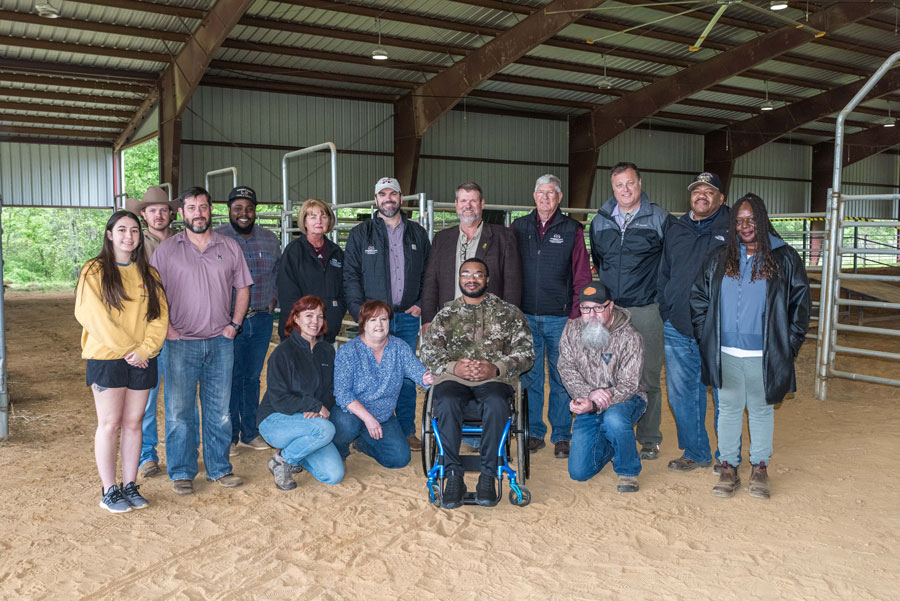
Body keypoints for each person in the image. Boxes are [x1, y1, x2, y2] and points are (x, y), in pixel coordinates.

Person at [691, 193, 810, 500]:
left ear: (762, 219)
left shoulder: (784, 258)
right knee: (728, 409)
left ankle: (760, 466)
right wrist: (707, 338)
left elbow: (800, 306)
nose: (745, 226)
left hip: (764, 353)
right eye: (739, 220)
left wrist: (787, 346)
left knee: (760, 409)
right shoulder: (720, 256)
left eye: (751, 219)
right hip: (727, 351)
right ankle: (728, 466)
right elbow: (699, 298)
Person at [151, 187, 253, 495]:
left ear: (211, 210)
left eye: (204, 207)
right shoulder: (166, 250)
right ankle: (182, 470)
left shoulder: (230, 246)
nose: (199, 212)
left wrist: (235, 324)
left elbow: (243, 287)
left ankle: (219, 467)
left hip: (221, 342)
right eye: (192, 207)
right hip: (180, 343)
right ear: (181, 213)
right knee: (179, 411)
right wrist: (167, 329)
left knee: (219, 410)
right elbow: (154, 294)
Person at [420, 258, 534, 509]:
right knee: (446, 401)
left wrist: (496, 367)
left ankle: (488, 475)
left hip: (493, 379)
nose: (471, 279)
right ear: (459, 279)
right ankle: (453, 476)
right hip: (454, 379)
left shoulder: (508, 313)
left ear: (487, 279)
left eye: (478, 275)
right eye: (466, 274)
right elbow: (428, 352)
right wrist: (454, 367)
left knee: (496, 402)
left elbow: (526, 353)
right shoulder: (446, 314)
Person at [74, 210, 167, 512]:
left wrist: (145, 349)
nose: (129, 236)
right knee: (109, 424)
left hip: (142, 358)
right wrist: (130, 349)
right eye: (122, 230)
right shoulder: (95, 270)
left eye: (135, 231)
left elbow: (159, 317)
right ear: (110, 235)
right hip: (108, 358)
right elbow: (92, 316)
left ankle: (129, 484)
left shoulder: (149, 274)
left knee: (133, 423)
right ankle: (109, 490)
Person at [590, 162, 673, 460]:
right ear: (612, 188)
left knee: (648, 374)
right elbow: (599, 262)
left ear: (640, 183)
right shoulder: (599, 221)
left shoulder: (659, 218)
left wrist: (659, 296)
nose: (625, 190)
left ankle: (649, 437)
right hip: (613, 311)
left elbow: (670, 262)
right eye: (618, 185)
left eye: (630, 183)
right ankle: (614, 433)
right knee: (608, 373)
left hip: (647, 309)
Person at [343, 177, 431, 451]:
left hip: (406, 316)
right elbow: (351, 276)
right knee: (367, 372)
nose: (388, 198)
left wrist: (421, 301)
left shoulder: (417, 234)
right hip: (373, 320)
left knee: (405, 375)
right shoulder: (361, 233)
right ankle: (362, 425)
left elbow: (429, 274)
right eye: (383, 194)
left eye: (393, 193)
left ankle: (406, 430)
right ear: (376, 200)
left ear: (401, 198)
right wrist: (362, 313)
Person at [512, 174, 591, 459]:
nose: (545, 197)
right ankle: (534, 432)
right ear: (533, 196)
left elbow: (582, 275)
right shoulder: (518, 227)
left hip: (561, 318)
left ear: (559, 198)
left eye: (551, 193)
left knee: (562, 377)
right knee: (530, 377)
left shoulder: (572, 230)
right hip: (526, 317)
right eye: (540, 192)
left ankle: (561, 434)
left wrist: (576, 314)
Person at [656, 172, 731, 472]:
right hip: (678, 325)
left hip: (721, 328)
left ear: (721, 198)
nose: (702, 194)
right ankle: (696, 451)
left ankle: (727, 455)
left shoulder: (736, 227)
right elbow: (664, 272)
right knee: (682, 393)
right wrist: (667, 308)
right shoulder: (677, 227)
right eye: (697, 190)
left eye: (709, 190)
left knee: (725, 393)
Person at [559, 282, 647, 493]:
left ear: (610, 306)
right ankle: (613, 444)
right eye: (586, 309)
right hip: (588, 399)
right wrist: (587, 395)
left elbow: (629, 384)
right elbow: (565, 368)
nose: (592, 314)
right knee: (579, 472)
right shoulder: (572, 330)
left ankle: (628, 471)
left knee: (614, 419)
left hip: (625, 399)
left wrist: (597, 400)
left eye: (598, 307)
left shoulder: (630, 336)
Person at [215, 185, 281, 454]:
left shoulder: (270, 238)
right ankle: (229, 435)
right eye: (238, 208)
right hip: (230, 320)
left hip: (262, 318)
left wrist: (275, 297)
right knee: (230, 376)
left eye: (249, 208)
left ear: (256, 211)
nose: (244, 213)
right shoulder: (216, 238)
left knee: (253, 377)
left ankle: (250, 432)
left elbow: (278, 272)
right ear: (229, 210)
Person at [331, 300, 434, 469]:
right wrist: (368, 419)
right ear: (363, 323)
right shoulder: (348, 351)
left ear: (389, 322)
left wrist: (427, 378)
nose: (379, 324)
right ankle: (340, 451)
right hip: (351, 412)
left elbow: (418, 373)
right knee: (348, 425)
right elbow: (342, 394)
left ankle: (362, 442)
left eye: (384, 319)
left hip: (383, 416)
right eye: (373, 320)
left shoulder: (399, 347)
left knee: (399, 459)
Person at [257, 296, 344, 490]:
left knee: (334, 475)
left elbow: (331, 390)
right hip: (277, 419)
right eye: (309, 315)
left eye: (320, 316)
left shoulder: (327, 352)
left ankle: (293, 453)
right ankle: (283, 460)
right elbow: (279, 398)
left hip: (311, 423)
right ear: (296, 318)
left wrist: (321, 407)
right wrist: (313, 406)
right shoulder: (282, 353)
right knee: (326, 430)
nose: (315, 321)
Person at [125, 186, 182, 479]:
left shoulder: (184, 241)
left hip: (183, 329)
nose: (158, 215)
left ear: (171, 213)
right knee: (146, 396)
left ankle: (179, 455)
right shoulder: (134, 244)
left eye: (163, 209)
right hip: (147, 331)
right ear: (143, 214)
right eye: (152, 210)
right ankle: (147, 455)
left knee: (180, 397)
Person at [421, 181, 521, 329]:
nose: (468, 206)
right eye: (463, 201)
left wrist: (508, 321)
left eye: (473, 201)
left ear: (482, 204)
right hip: (449, 323)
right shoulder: (442, 239)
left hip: (490, 324)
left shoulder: (504, 238)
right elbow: (431, 282)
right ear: (456, 204)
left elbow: (513, 285)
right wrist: (428, 320)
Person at [277, 198, 345, 343]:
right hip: (299, 333)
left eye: (323, 216)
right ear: (305, 222)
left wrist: (336, 312)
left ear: (329, 220)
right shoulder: (293, 252)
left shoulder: (336, 252)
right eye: (312, 216)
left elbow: (344, 287)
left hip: (327, 330)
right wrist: (303, 324)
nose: (318, 221)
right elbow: (287, 292)